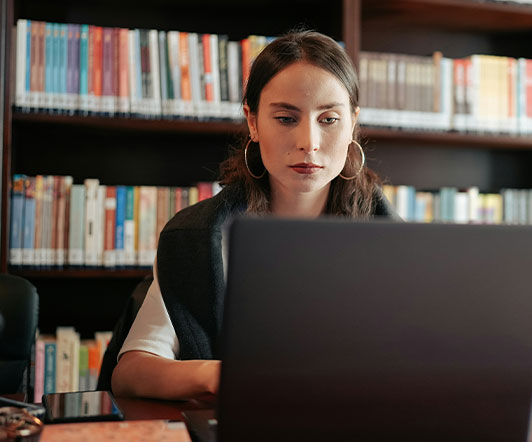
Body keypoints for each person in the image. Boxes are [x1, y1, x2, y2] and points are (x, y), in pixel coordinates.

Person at [109, 30, 399, 400]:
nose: (308, 141)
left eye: (328, 120)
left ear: (352, 123)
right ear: (253, 122)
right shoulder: (199, 237)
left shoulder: (390, 238)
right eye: (285, 118)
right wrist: (219, 375)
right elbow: (131, 371)